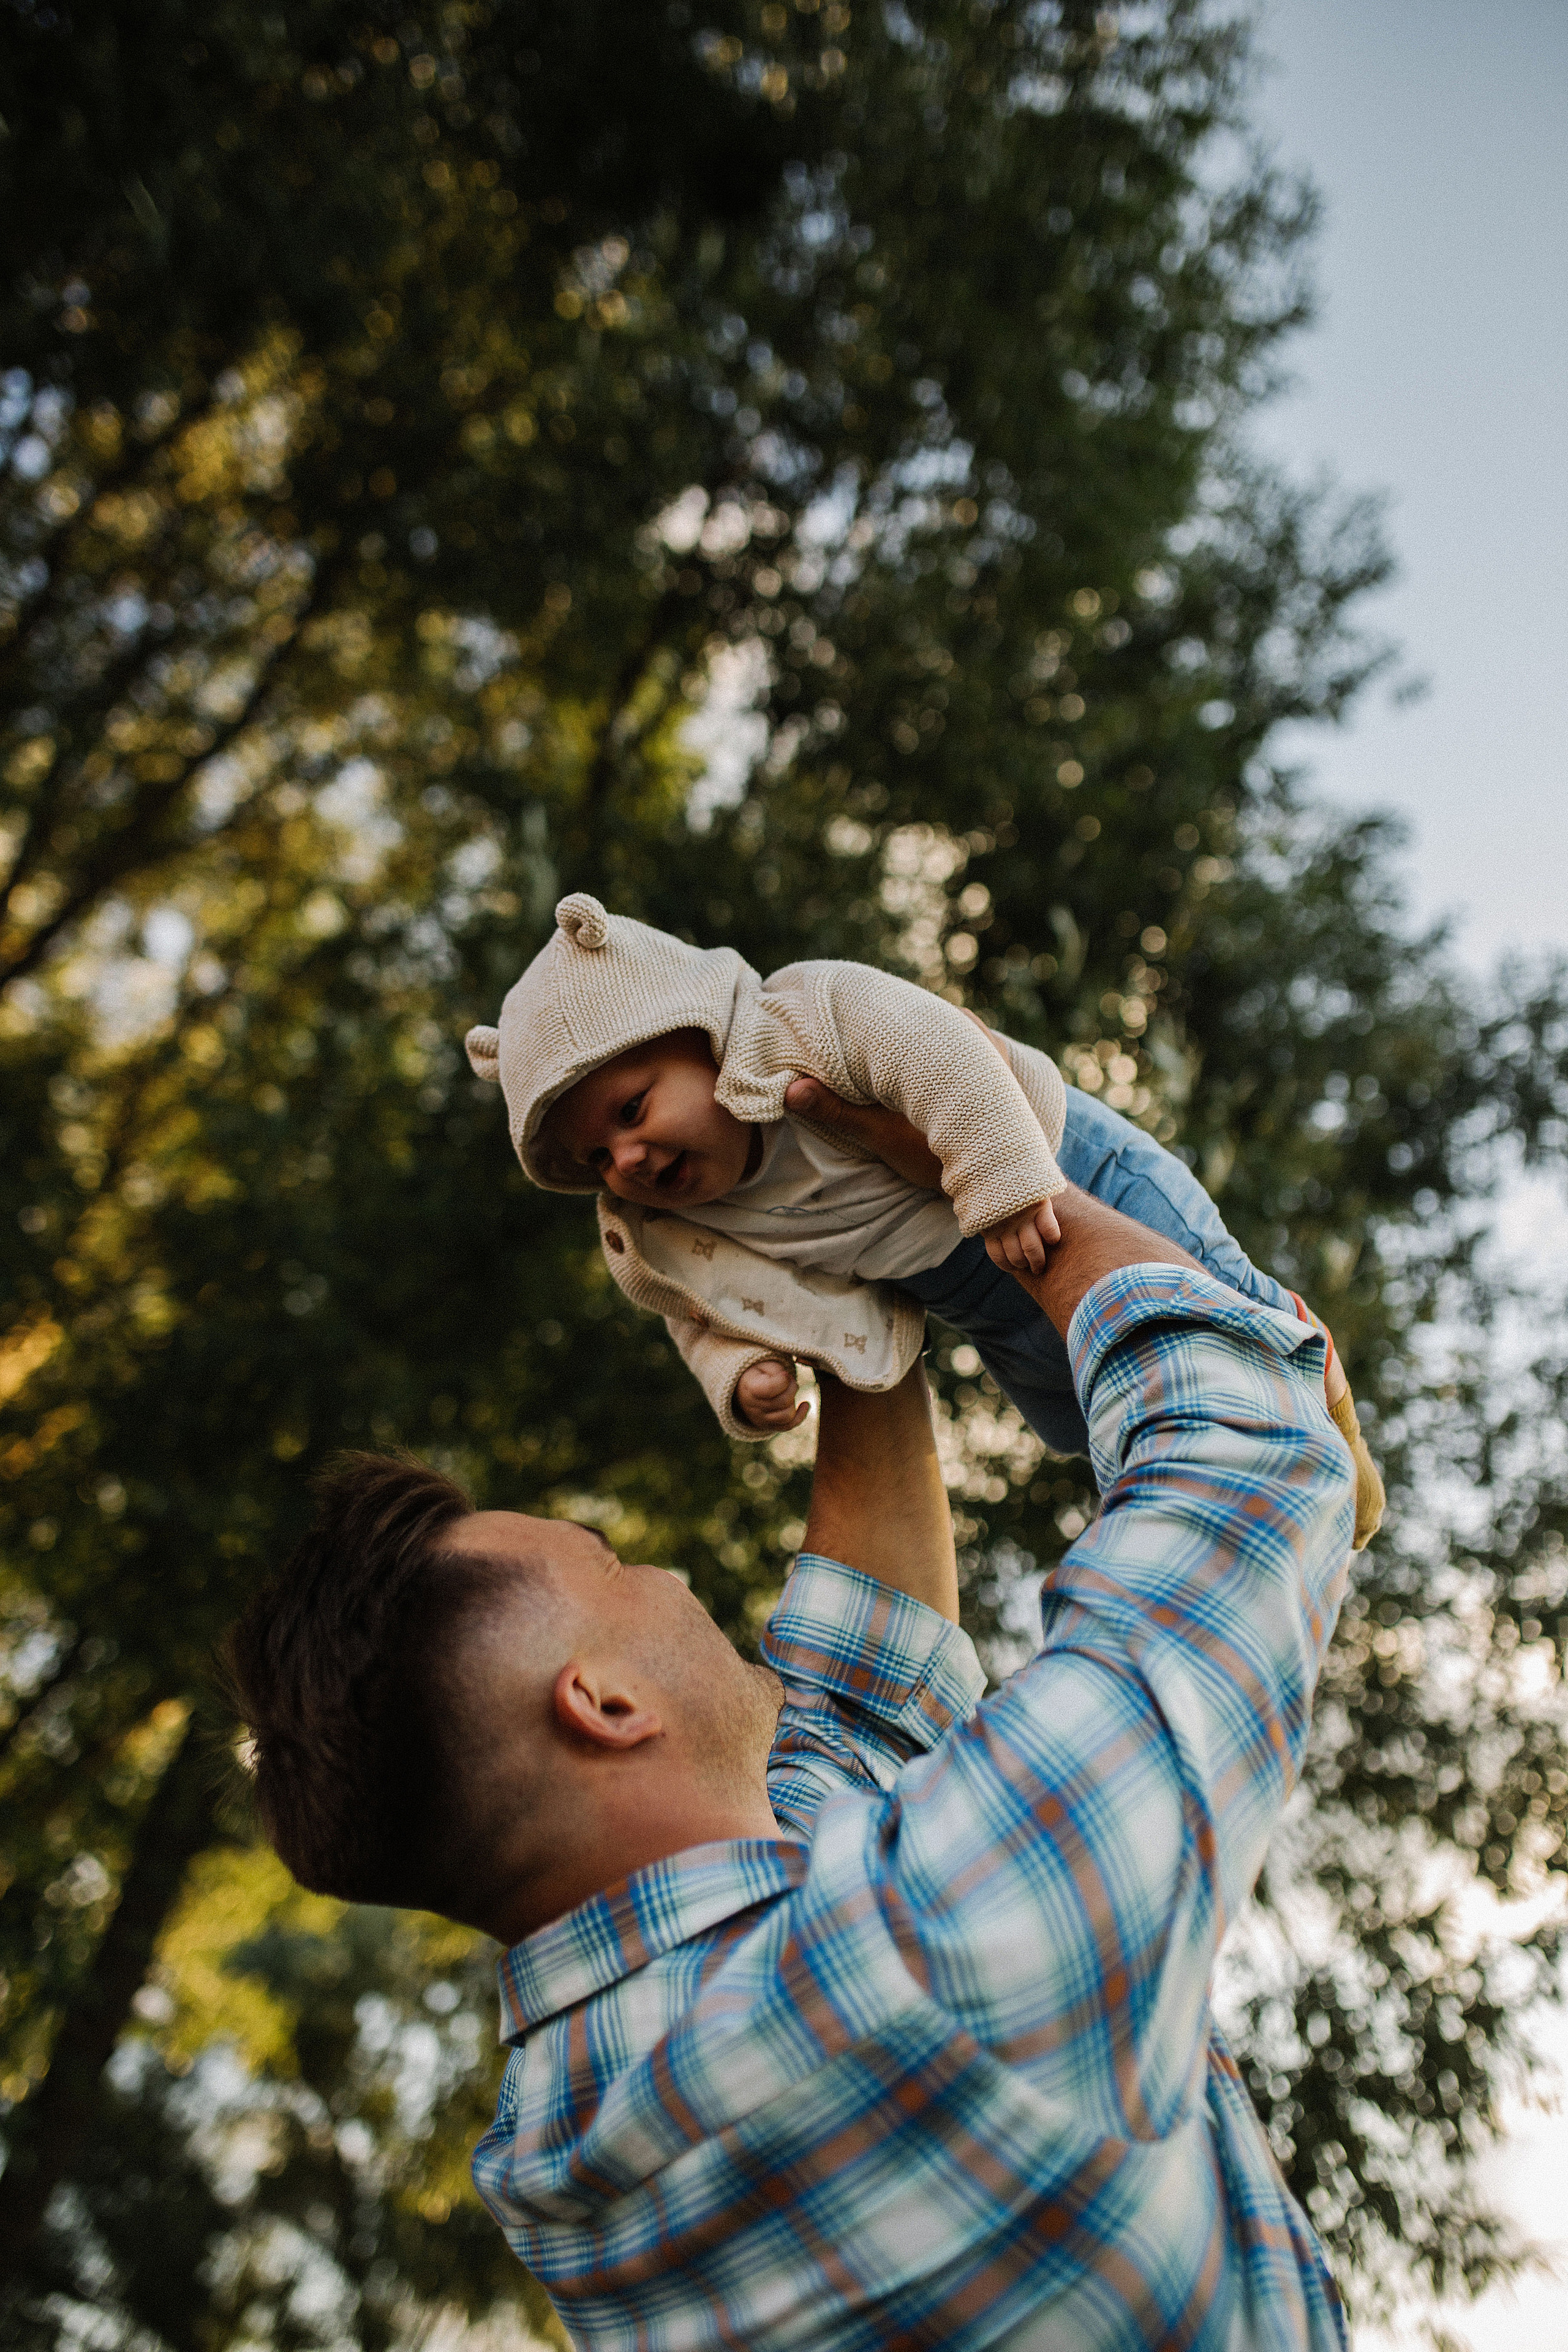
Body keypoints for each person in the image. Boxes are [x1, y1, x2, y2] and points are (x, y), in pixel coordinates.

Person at [227, 1091, 1357, 2352]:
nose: (663, 1577)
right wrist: (998, 1184)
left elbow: (856, 1699)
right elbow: (1245, 1457)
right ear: (604, 1704)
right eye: (612, 1564)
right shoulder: (918, 1955)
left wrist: (837, 1267)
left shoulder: (559, 2141)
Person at [464, 893, 1383, 1547]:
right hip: (972, 1294)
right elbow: (698, 1307)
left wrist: (1000, 1178)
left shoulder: (805, 1019)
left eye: (632, 1110)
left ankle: (1315, 1380)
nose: (626, 1162)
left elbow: (939, 1049)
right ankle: (1229, 1510)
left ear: (697, 1033)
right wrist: (738, 1375)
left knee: (1202, 1299)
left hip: (1058, 1169)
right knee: (1084, 1415)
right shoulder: (668, 1226)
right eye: (596, 1159)